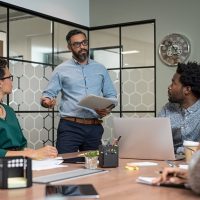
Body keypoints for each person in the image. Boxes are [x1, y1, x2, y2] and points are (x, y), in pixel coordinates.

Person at [41, 29, 117, 154]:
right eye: (77, 44)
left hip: (94, 127)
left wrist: (107, 109)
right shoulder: (61, 69)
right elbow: (47, 95)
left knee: (95, 167)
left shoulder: (100, 68)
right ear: (69, 47)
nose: (82, 47)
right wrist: (47, 102)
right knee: (64, 165)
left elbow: (111, 96)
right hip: (70, 127)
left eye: (84, 43)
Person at [0, 58, 58, 159]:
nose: (11, 81)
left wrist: (41, 152)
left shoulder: (9, 111)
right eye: (9, 77)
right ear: (0, 82)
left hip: (19, 164)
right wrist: (28, 154)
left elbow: (22, 144)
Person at [158, 61, 200, 153]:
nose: (169, 87)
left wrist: (177, 150)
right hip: (168, 163)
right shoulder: (167, 109)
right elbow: (156, 141)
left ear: (187, 90)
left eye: (173, 83)